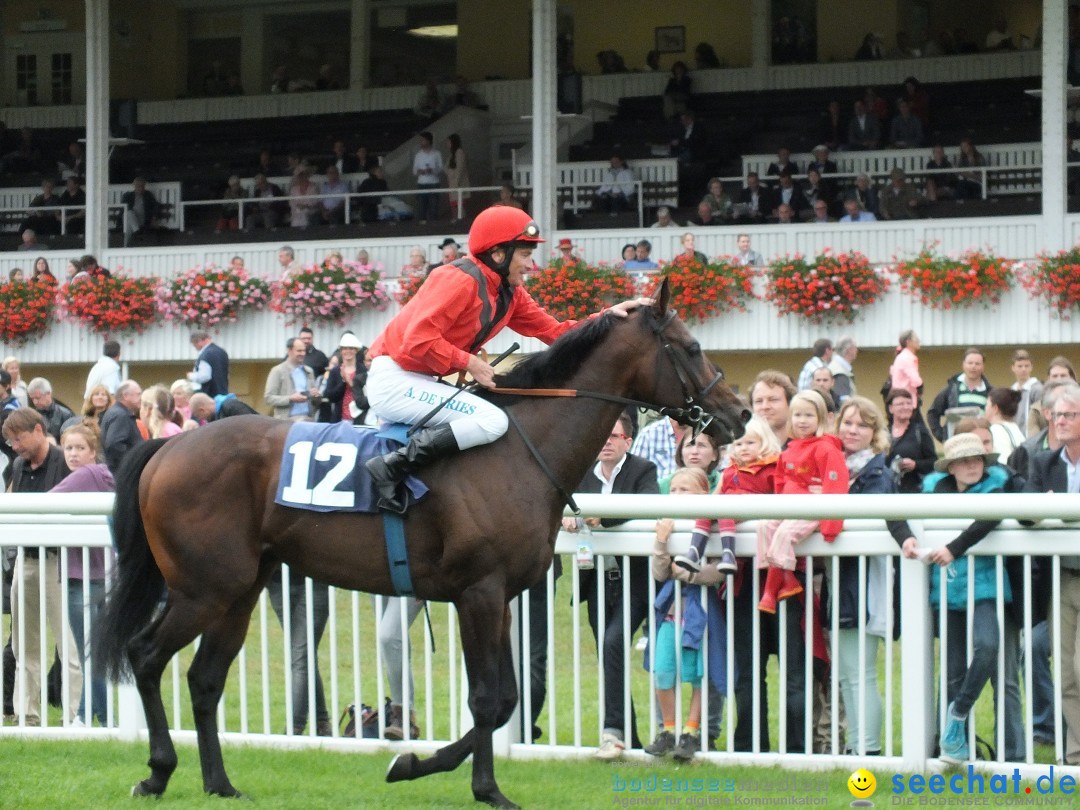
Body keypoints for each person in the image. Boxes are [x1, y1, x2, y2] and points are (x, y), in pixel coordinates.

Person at [364, 206, 651, 513]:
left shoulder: (510, 293)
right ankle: (391, 467)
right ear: (499, 254)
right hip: (393, 379)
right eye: (525, 256)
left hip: (417, 380)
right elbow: (417, 340)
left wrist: (607, 318)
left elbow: (556, 333)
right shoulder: (457, 279)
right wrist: (470, 363)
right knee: (491, 420)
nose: (531, 265)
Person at [560, 411, 659, 760]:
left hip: (635, 578)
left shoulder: (643, 469)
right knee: (609, 652)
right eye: (601, 434)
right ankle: (625, 735)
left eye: (613, 436)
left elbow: (645, 505)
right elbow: (562, 503)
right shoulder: (582, 470)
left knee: (615, 641)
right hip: (596, 578)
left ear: (627, 441)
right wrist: (567, 517)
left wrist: (603, 517)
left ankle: (612, 732)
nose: (605, 441)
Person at [929, 433, 1024, 764]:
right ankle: (955, 750)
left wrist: (953, 548)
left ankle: (959, 711)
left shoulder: (995, 488)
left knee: (988, 646)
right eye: (964, 461)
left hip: (985, 589)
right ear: (951, 467)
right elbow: (895, 514)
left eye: (977, 459)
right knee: (953, 671)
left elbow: (989, 517)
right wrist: (907, 541)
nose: (972, 466)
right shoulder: (931, 492)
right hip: (949, 591)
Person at [833, 397, 917, 755]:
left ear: (874, 433)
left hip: (866, 584)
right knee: (849, 673)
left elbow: (883, 515)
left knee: (860, 672)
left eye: (861, 425)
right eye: (847, 423)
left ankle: (866, 749)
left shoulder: (876, 472)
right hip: (845, 579)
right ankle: (857, 745)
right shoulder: (838, 467)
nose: (853, 430)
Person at [2, 408, 80, 726]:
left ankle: (76, 714)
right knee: (23, 641)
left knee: (68, 642)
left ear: (37, 430)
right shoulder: (18, 466)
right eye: (10, 441)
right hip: (26, 560)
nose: (15, 447)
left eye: (18, 439)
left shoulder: (65, 461)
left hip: (58, 562)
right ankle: (26, 713)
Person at [644, 467, 726, 762]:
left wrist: (689, 575)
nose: (677, 495)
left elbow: (718, 572)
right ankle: (668, 729)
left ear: (704, 495)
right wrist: (661, 543)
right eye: (674, 490)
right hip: (670, 613)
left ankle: (690, 732)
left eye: (685, 490)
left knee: (698, 673)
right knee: (662, 669)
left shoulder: (712, 528)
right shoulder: (668, 524)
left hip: (700, 615)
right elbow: (659, 572)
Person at [1025, 382, 1080, 762]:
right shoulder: (1044, 462)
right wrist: (1040, 507)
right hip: (1060, 578)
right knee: (1064, 673)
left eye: (1070, 415)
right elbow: (1026, 515)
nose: (1060, 422)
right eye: (1057, 415)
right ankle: (1075, 752)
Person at [756, 389, 848, 613]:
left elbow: (836, 485)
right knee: (764, 526)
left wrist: (830, 526)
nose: (802, 421)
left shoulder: (826, 448)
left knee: (785, 533)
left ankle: (769, 592)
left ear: (820, 418)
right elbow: (780, 480)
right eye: (797, 415)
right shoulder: (789, 450)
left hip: (811, 508)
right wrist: (780, 505)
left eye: (809, 415)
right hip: (790, 507)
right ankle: (786, 579)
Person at [53, 422, 113, 726]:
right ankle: (95, 716)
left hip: (82, 578)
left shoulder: (87, 475)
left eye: (80, 448)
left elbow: (45, 503)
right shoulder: (101, 476)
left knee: (90, 652)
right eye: (68, 448)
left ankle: (93, 716)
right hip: (102, 576)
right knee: (97, 651)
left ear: (93, 452)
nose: (73, 454)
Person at [675, 415, 780, 574]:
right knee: (708, 511)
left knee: (725, 511)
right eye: (739, 444)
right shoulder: (730, 470)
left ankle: (728, 555)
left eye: (750, 443)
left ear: (764, 443)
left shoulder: (770, 469)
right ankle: (694, 552)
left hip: (752, 510)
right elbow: (715, 496)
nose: (743, 448)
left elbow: (779, 496)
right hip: (730, 507)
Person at [927, 347, 992, 442]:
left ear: (983, 366)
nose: (973, 366)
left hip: (980, 442)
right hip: (956, 442)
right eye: (970, 363)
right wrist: (943, 436)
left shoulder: (990, 392)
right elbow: (932, 413)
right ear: (963, 365)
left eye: (977, 364)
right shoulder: (951, 389)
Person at [884, 389, 936, 493]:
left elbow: (934, 462)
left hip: (914, 493)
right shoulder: (883, 433)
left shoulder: (920, 432)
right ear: (890, 408)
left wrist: (915, 465)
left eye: (909, 403)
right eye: (900, 404)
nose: (906, 407)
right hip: (886, 492)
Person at [265, 337, 320, 421]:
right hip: (286, 423)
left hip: (308, 421)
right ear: (289, 351)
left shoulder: (309, 371)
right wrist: (290, 398)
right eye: (299, 351)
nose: (303, 354)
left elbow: (316, 401)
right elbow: (268, 398)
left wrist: (316, 395)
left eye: (304, 351)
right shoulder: (277, 371)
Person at [322, 333, 370, 424]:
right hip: (340, 419)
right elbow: (330, 396)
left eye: (351, 348)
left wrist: (351, 383)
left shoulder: (363, 370)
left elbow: (367, 394)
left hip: (360, 419)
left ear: (356, 350)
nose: (348, 351)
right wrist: (343, 382)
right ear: (341, 350)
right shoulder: (335, 372)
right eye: (345, 348)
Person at [99, 380, 144, 472]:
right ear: (126, 395)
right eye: (138, 394)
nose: (141, 398)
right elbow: (114, 444)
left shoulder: (117, 412)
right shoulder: (121, 415)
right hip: (121, 473)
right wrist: (133, 462)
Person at [27, 377, 74, 443]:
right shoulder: (31, 416)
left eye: (38, 398)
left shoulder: (66, 414)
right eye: (32, 399)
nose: (35, 402)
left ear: (48, 394)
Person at [985, 387, 1025, 461]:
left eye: (987, 405)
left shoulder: (996, 431)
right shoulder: (1016, 429)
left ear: (995, 408)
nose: (985, 408)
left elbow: (1003, 462)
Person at [1009, 349, 1043, 434]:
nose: (1023, 369)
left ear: (1031, 367)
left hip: (1032, 437)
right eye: (1020, 366)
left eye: (1026, 366)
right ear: (1013, 368)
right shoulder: (1011, 390)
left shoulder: (1037, 389)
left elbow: (1041, 417)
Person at [412, 131, 443, 223]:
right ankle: (422, 226)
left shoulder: (437, 153)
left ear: (428, 141)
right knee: (421, 207)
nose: (421, 142)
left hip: (434, 183)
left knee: (433, 208)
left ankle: (433, 227)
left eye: (423, 140)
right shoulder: (418, 155)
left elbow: (441, 169)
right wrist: (419, 171)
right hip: (421, 183)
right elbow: (414, 171)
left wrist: (432, 170)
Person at [188, 331, 229, 397]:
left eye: (195, 345)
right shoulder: (222, 352)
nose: (196, 348)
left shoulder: (205, 354)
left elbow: (204, 376)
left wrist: (191, 376)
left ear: (199, 341)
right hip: (223, 393)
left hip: (209, 394)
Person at [888, 329, 923, 406]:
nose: (918, 340)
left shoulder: (902, 357)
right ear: (908, 342)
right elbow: (915, 380)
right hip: (907, 401)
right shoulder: (907, 358)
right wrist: (920, 388)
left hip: (901, 399)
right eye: (916, 338)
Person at [444, 134, 470, 222]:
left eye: (448, 142)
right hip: (452, 185)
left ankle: (461, 222)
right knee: (454, 205)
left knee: (459, 205)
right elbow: (446, 168)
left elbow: (460, 169)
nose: (447, 144)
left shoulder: (459, 152)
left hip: (458, 185)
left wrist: (456, 183)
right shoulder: (452, 154)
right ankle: (456, 220)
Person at [828, 336, 858, 403]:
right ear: (850, 349)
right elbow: (844, 402)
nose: (857, 350)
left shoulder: (836, 367)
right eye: (855, 347)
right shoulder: (839, 372)